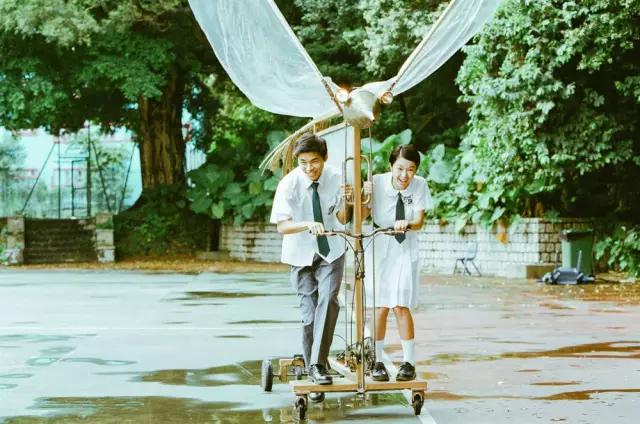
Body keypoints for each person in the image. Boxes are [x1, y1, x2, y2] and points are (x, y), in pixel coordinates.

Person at [270, 132, 352, 397]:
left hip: (331, 250)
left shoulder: (337, 178)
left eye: (314, 161)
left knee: (328, 301)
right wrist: (307, 224)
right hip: (300, 253)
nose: (309, 168)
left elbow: (343, 218)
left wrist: (348, 200)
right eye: (303, 162)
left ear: (324, 158)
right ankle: (314, 367)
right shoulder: (289, 184)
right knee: (309, 314)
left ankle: (317, 367)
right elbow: (282, 226)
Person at [363, 144, 433, 382]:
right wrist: (364, 196)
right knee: (380, 306)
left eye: (411, 169)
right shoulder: (376, 182)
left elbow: (419, 221)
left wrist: (407, 223)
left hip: (405, 246)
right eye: (400, 168)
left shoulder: (420, 185)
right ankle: (377, 361)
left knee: (401, 305)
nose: (405, 175)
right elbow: (361, 215)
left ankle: (409, 363)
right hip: (379, 245)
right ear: (391, 166)